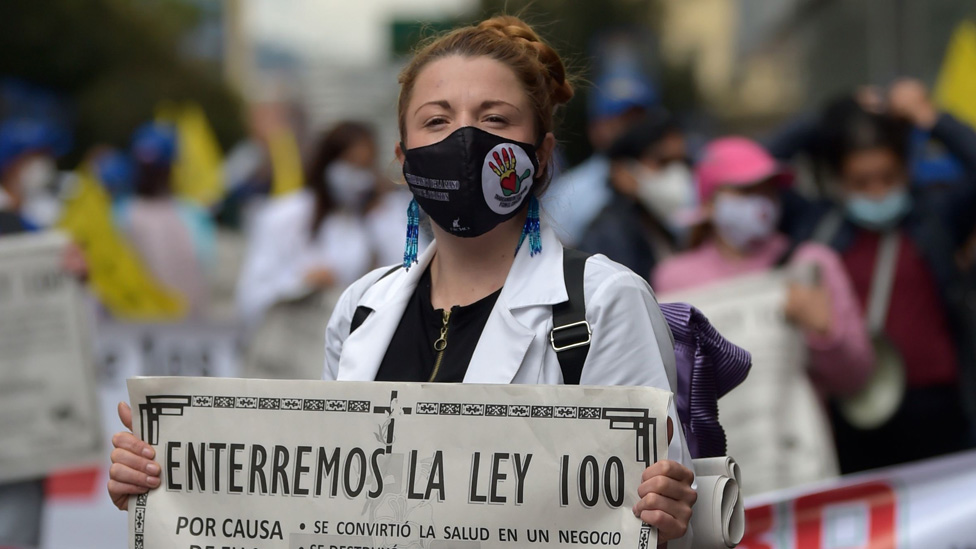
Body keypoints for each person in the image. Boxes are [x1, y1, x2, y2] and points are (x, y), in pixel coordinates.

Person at [108, 15, 698, 546]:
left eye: (494, 119)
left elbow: (653, 513)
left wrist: (668, 514)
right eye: (436, 121)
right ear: (404, 158)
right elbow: (318, 503)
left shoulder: (602, 302)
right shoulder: (362, 307)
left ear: (541, 155)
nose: (465, 140)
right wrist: (170, 485)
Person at [653, 137, 874, 493]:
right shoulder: (672, 280)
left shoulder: (811, 265)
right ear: (709, 202)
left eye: (768, 190)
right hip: (712, 484)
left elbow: (857, 378)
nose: (760, 203)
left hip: (798, 470)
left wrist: (824, 332)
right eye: (744, 191)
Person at [777, 79, 976, 473]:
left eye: (888, 177)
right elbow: (757, 166)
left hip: (942, 408)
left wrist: (933, 119)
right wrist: (828, 119)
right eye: (861, 182)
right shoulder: (819, 227)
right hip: (854, 411)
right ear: (838, 180)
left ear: (906, 170)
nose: (878, 192)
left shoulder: (934, 216)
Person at [235, 121, 378, 328]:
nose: (358, 177)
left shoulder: (365, 223)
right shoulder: (285, 214)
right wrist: (302, 282)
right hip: (288, 344)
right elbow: (250, 297)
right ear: (329, 161)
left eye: (365, 167)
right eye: (352, 164)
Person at [542, 67, 657, 245]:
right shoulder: (570, 192)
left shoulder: (674, 179)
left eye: (639, 119)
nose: (632, 129)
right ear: (596, 128)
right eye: (621, 120)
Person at [113, 122, 215, 319]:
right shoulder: (120, 213)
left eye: (156, 168)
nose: (150, 175)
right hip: (137, 329)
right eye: (145, 168)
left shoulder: (194, 215)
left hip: (191, 327)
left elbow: (207, 273)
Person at [579, 110, 695, 280]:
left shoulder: (661, 221)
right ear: (622, 173)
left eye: (680, 162)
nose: (676, 173)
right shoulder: (608, 235)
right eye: (662, 162)